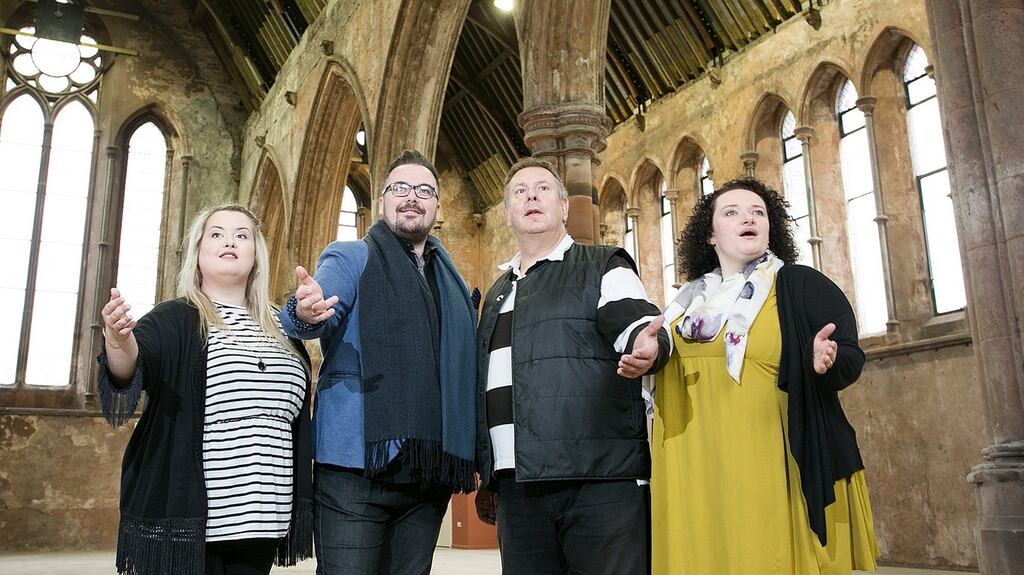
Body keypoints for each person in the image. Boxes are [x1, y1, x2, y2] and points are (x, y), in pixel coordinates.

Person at [650, 177, 880, 574]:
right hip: (693, 463)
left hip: (767, 462)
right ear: (710, 235)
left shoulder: (797, 285)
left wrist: (826, 360)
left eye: (758, 212)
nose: (748, 218)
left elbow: (848, 355)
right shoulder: (686, 306)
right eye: (732, 212)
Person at [280, 149, 477, 574]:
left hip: (428, 473)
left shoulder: (453, 280)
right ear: (383, 200)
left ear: (437, 208)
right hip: (356, 468)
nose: (412, 197)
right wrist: (305, 310)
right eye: (400, 188)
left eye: (424, 191)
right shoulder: (350, 257)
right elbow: (308, 311)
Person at [474, 157, 671, 575]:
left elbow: (634, 319)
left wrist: (647, 345)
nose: (531, 196)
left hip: (596, 480)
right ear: (508, 213)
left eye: (543, 188)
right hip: (518, 485)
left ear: (564, 208)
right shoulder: (496, 294)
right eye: (520, 191)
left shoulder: (602, 265)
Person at [98, 204, 313, 575]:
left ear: (256, 254)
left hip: (262, 520)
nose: (229, 241)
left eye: (241, 235)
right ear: (198, 253)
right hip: (191, 522)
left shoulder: (284, 328)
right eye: (216, 234)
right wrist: (118, 340)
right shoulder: (176, 318)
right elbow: (133, 367)